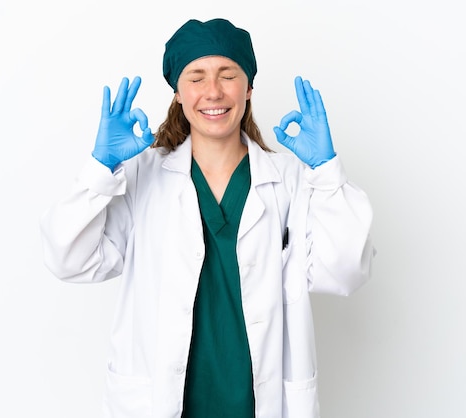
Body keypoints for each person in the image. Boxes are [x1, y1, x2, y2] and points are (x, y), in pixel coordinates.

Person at [40, 18, 374, 418]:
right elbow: (68, 259)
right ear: (178, 93)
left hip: (258, 406)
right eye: (196, 77)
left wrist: (327, 171)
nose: (213, 92)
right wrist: (99, 169)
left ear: (248, 87)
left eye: (227, 75)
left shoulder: (291, 181)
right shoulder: (142, 177)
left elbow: (346, 271)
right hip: (162, 404)